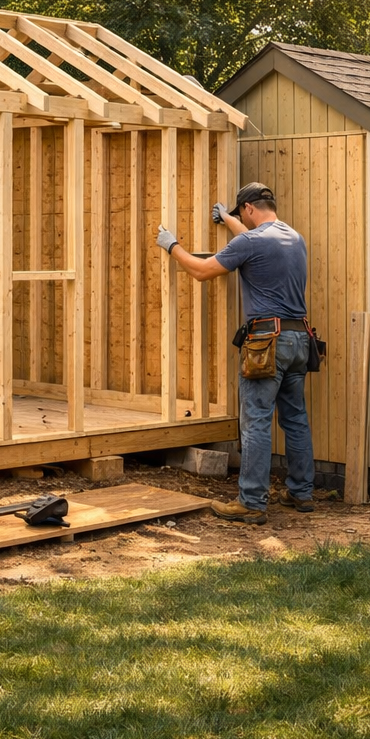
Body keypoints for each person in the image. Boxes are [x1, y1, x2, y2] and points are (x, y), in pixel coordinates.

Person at [155, 181, 315, 524]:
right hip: (300, 339)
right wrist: (228, 218)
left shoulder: (251, 242)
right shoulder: (293, 238)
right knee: (295, 419)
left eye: (242, 215)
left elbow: (202, 271)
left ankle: (251, 502)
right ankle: (301, 493)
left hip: (267, 343)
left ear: (250, 209)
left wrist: (172, 246)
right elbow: (252, 240)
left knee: (255, 421)